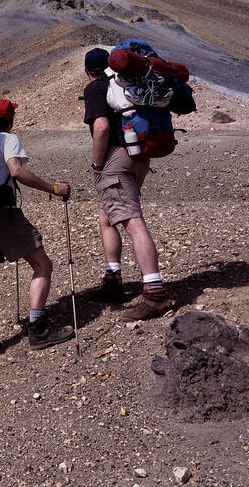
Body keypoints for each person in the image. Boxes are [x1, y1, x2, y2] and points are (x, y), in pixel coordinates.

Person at [0, 98, 74, 361]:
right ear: (11, 119)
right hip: (0, 213)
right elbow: (16, 171)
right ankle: (38, 330)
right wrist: (53, 188)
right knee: (42, 265)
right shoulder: (6, 139)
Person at [81, 48, 172, 321]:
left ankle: (155, 295)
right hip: (138, 157)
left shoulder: (96, 88)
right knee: (107, 217)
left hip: (116, 160)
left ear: (87, 71)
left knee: (133, 222)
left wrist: (98, 165)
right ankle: (113, 279)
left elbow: (101, 127)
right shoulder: (122, 84)